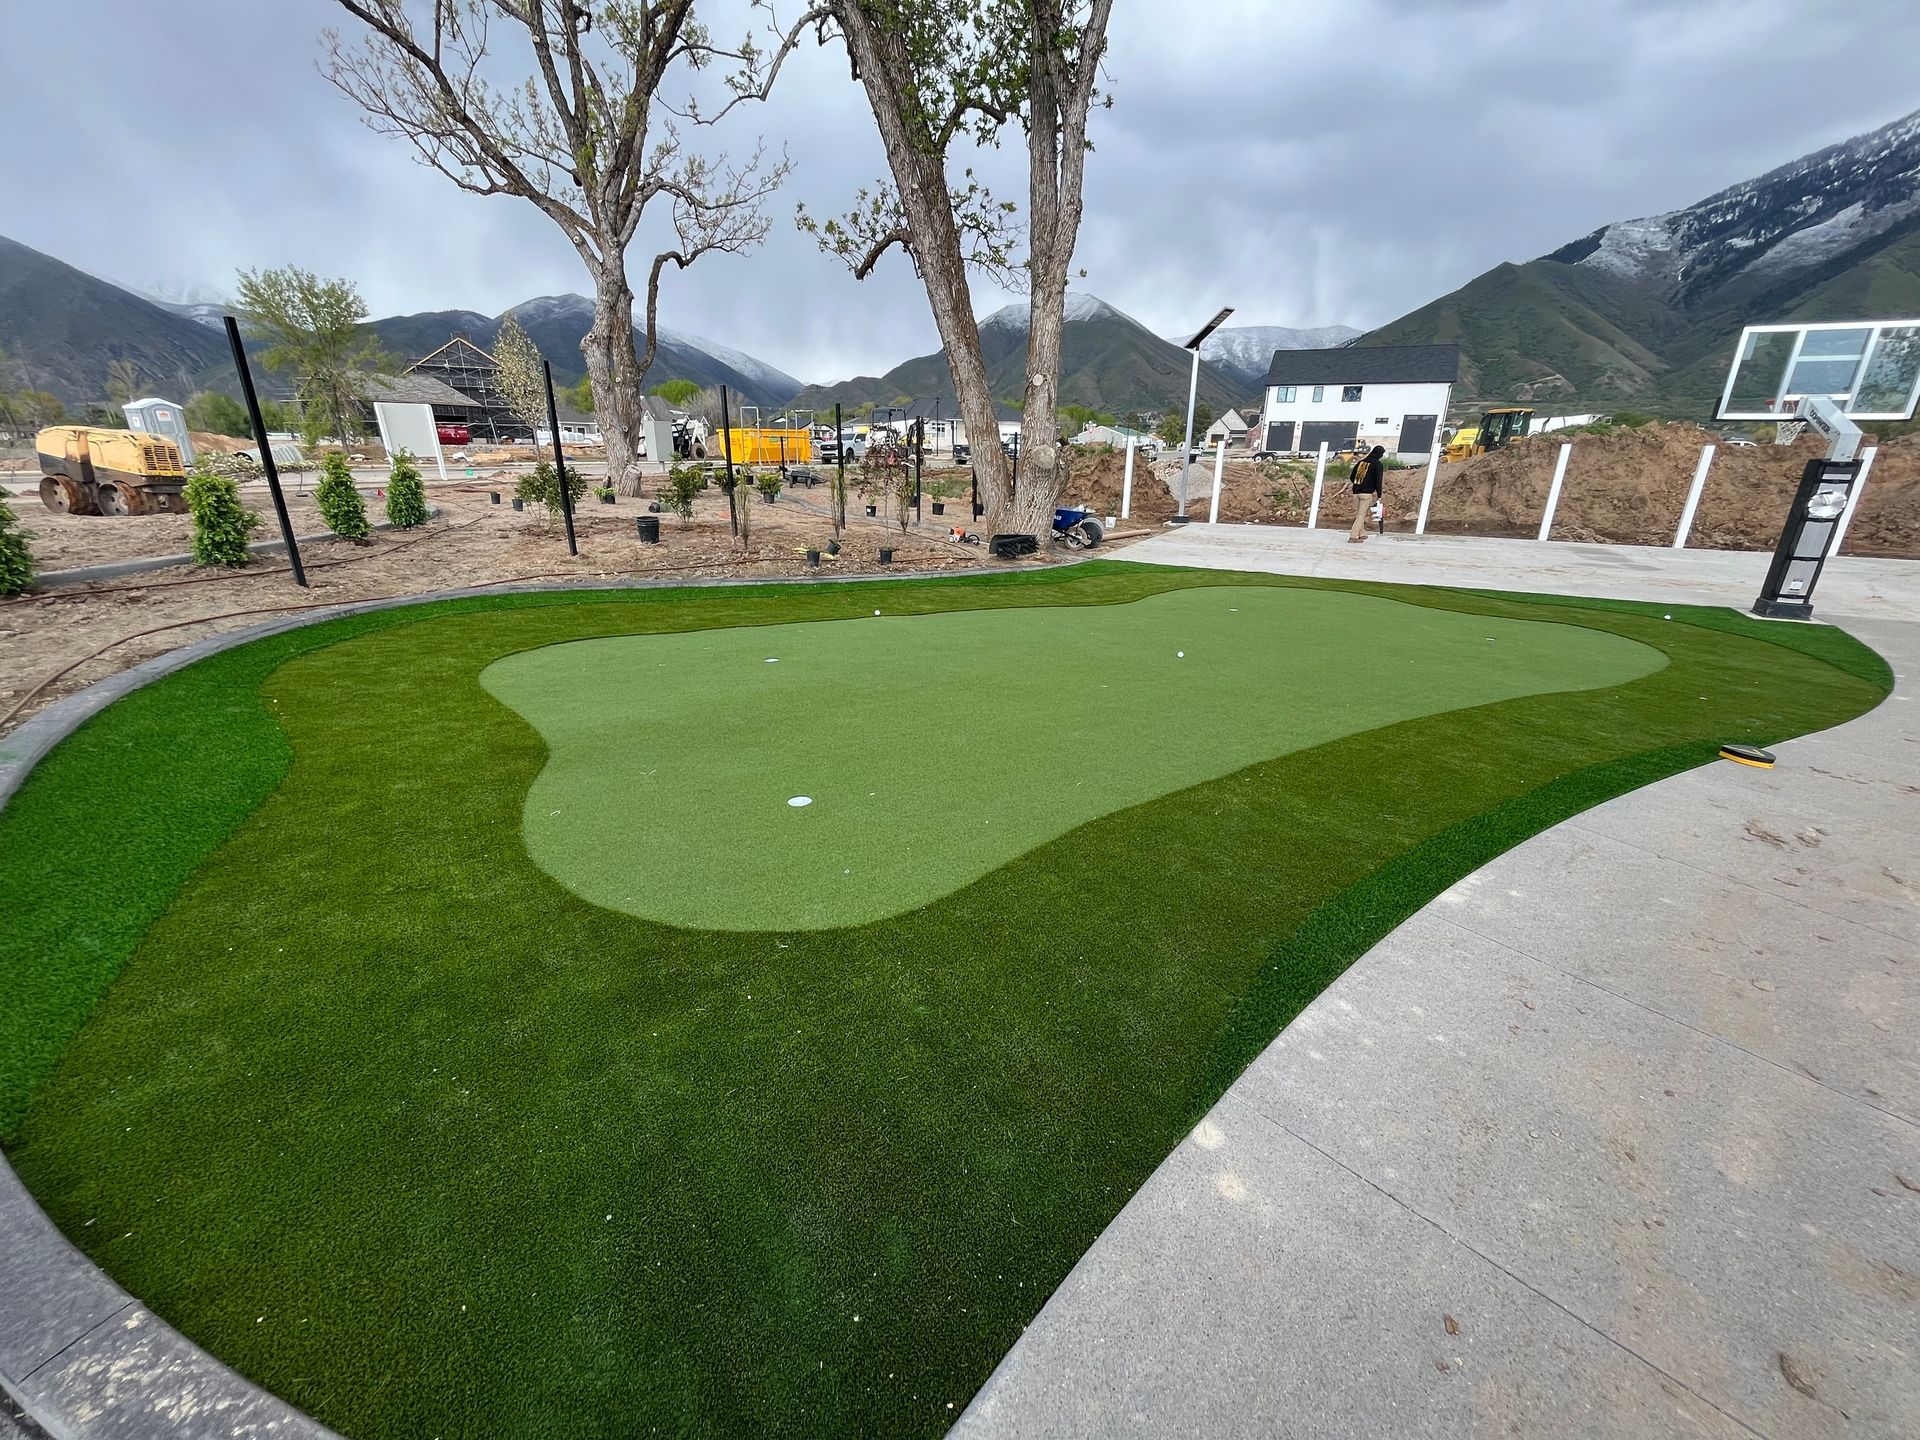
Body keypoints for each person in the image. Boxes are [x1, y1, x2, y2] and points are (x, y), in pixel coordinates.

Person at [1348, 444, 1385, 542]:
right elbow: (1378, 481)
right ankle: (1353, 537)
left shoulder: (1361, 463)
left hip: (1356, 492)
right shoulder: (1377, 464)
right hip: (1366, 494)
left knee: (1358, 515)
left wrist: (1358, 485)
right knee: (1361, 515)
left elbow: (1352, 477)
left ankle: (1362, 533)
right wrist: (1379, 495)